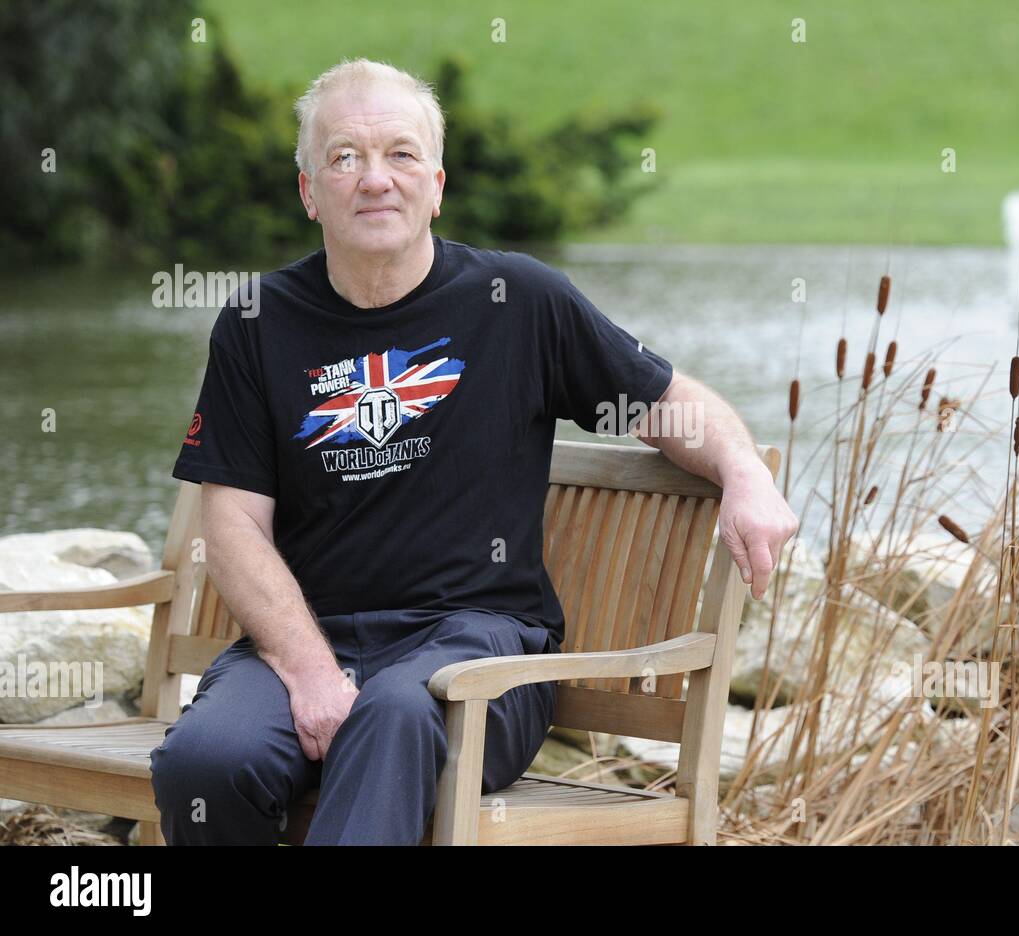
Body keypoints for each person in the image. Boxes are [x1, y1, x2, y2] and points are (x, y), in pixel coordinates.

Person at [149, 58, 798, 845]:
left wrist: (742, 472)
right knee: (207, 760)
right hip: (308, 641)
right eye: (344, 157)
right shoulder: (258, 322)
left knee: (394, 711)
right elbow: (234, 529)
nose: (375, 178)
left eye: (401, 153)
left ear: (437, 183)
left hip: (481, 651)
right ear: (309, 191)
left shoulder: (519, 301)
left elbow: (665, 402)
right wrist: (312, 671)